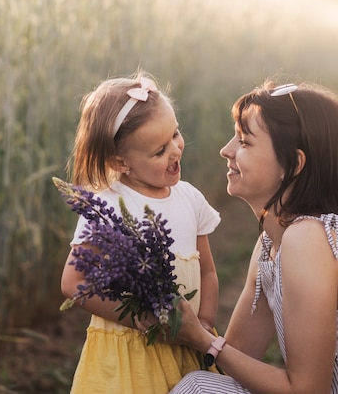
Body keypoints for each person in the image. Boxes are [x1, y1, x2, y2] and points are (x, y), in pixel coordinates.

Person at [167, 81, 338, 393]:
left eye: (245, 142)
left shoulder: (308, 240)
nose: (226, 150)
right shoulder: (270, 243)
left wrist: (201, 338)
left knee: (197, 388)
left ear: (293, 164)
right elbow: (236, 356)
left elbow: (305, 391)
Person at [60, 71, 221, 393]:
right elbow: (73, 283)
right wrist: (137, 320)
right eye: (159, 151)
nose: (175, 150)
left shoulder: (190, 198)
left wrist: (202, 326)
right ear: (121, 162)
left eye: (175, 135)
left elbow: (207, 272)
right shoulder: (105, 206)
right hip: (128, 356)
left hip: (186, 348)